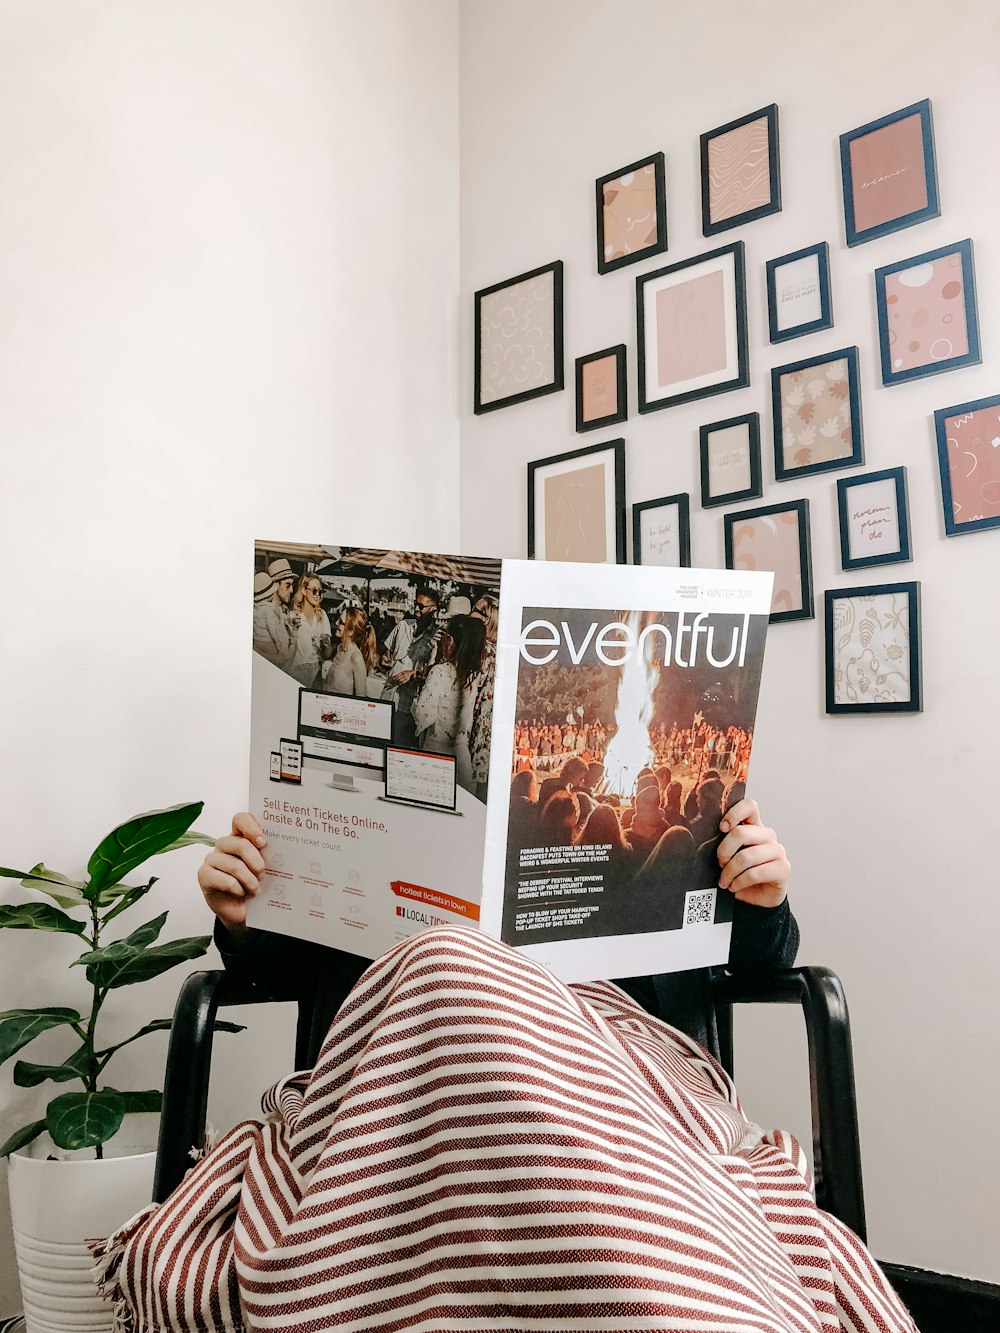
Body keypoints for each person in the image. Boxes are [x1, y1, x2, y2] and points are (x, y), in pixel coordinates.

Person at [197, 796, 795, 1050]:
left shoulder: (670, 854)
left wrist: (762, 902)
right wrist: (246, 920)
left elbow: (763, 967)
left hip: (621, 1082)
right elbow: (282, 970)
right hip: (415, 1079)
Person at [411, 614, 486, 767]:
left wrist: (416, 700)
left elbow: (423, 715)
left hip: (437, 752)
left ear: (450, 641)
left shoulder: (440, 672)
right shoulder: (473, 674)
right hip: (462, 755)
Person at [384, 587, 441, 747]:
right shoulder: (403, 626)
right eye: (416, 604)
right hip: (389, 694)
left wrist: (413, 672)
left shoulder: (436, 637)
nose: (416, 609)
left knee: (400, 746)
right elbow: (386, 654)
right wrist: (385, 660)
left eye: (421, 607)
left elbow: (434, 672)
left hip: (408, 704)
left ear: (434, 609)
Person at [288, 573, 332, 688]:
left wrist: (325, 645)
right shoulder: (293, 616)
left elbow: (328, 654)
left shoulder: (322, 615)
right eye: (314, 591)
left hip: (316, 671)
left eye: (320, 591)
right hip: (297, 671)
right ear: (303, 590)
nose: (317, 595)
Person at [251, 561, 297, 671]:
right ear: (276, 585)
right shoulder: (268, 612)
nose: (291, 590)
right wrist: (295, 636)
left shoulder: (282, 612)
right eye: (288, 585)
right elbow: (285, 659)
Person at [323, 605, 377, 696]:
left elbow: (361, 696)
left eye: (341, 622)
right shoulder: (340, 648)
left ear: (351, 631)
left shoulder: (356, 657)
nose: (336, 623)